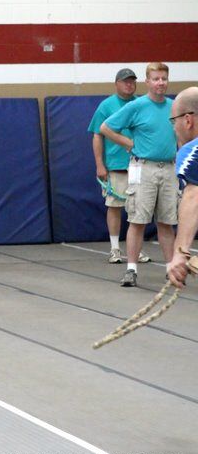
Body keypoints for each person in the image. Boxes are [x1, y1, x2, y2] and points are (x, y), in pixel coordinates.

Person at [100, 62, 177, 287]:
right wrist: (128, 143)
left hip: (169, 168)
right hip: (144, 168)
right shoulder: (137, 106)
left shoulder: (174, 107)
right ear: (148, 82)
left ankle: (171, 268)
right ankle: (131, 269)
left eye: (164, 78)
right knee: (138, 220)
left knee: (166, 221)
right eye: (156, 79)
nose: (160, 83)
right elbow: (106, 128)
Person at [88, 68, 150, 264]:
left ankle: (134, 248)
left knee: (137, 208)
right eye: (125, 81)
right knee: (115, 206)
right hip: (116, 165)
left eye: (132, 81)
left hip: (139, 164)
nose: (129, 85)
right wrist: (100, 165)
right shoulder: (106, 106)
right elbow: (97, 135)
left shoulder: (142, 103)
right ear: (117, 83)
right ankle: (115, 248)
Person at [166, 87, 198, 288]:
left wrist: (180, 253)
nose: (174, 127)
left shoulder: (192, 152)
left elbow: (193, 196)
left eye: (173, 121)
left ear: (188, 120)